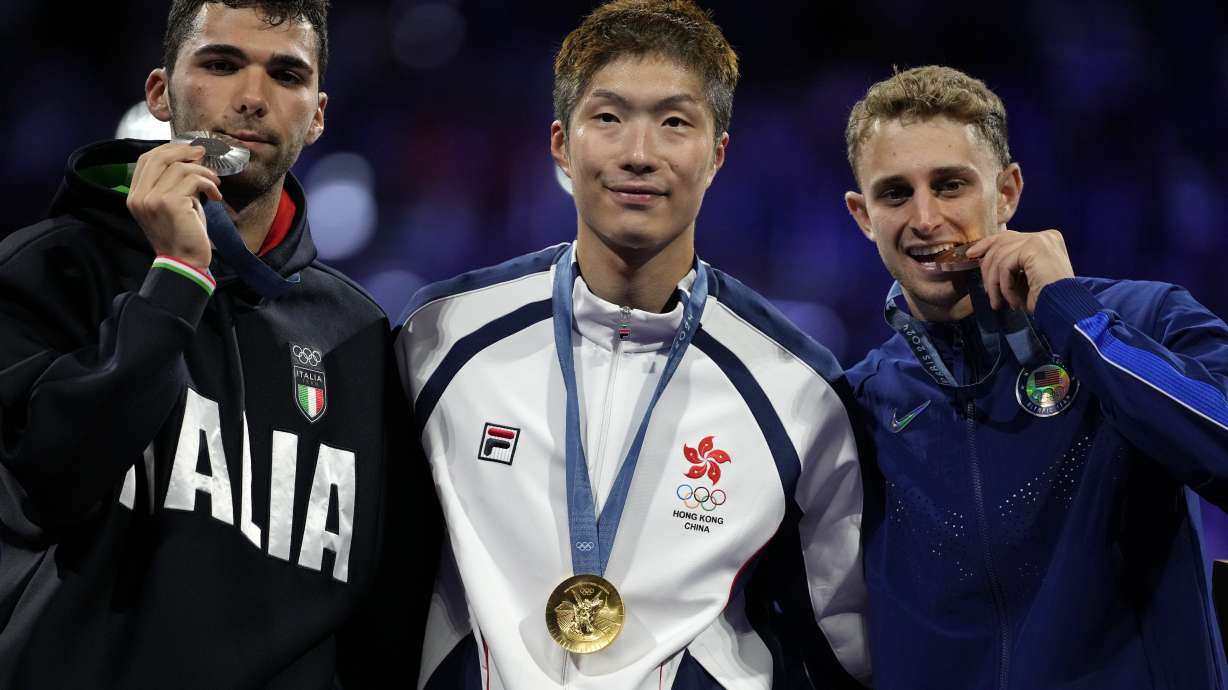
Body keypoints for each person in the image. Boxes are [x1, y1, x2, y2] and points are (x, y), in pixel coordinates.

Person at [394, 1, 870, 688]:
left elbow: (839, 646)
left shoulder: (797, 389)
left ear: (717, 154)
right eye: (608, 117)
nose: (639, 155)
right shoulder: (442, 339)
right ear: (561, 145)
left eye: (675, 122)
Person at [0, 0, 433, 686]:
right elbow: (48, 490)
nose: (253, 98)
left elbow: (387, 611)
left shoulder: (358, 337)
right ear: (160, 94)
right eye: (221, 64)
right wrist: (174, 279)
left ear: (317, 114)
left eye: (286, 75)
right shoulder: (48, 271)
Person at [843, 64, 1228, 689]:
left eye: (950, 185)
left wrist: (1079, 320)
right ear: (863, 215)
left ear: (1008, 192)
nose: (924, 217)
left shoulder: (1146, 320)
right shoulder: (861, 403)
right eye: (894, 194)